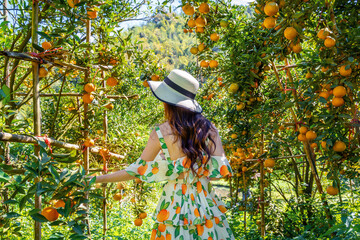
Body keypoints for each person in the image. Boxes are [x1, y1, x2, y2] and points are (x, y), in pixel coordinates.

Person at [92, 69, 235, 240]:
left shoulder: (162, 132)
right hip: (205, 203)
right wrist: (196, 169)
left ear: (168, 102)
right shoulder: (210, 130)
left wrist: (96, 179)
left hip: (174, 205)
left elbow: (136, 170)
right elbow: (219, 174)